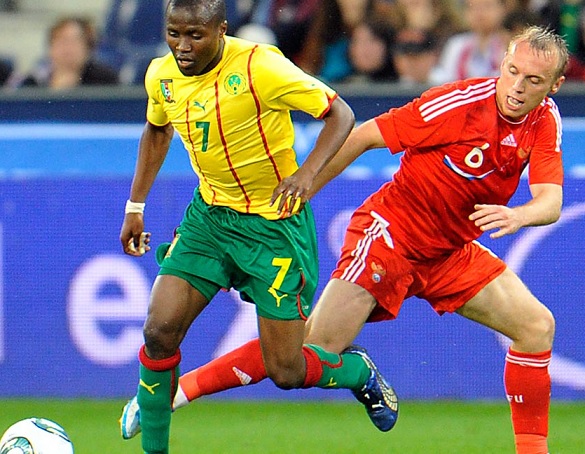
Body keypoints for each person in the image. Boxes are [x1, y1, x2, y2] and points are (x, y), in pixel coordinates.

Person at [121, 24, 567, 454]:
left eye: (533, 81)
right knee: (305, 354)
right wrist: (304, 189)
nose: (517, 87)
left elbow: (550, 201)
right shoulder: (457, 104)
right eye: (513, 71)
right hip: (390, 237)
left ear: (554, 85)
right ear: (502, 63)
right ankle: (177, 394)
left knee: (536, 327)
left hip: (450, 251)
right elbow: (365, 135)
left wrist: (519, 214)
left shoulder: (544, 119)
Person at [118, 0, 397, 452]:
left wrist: (306, 174)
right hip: (210, 218)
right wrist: (135, 205)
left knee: (286, 369)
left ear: (221, 30)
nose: (182, 46)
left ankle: (356, 371)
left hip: (273, 226)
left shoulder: (259, 67)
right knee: (159, 330)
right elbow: (157, 130)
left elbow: (341, 114)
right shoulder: (161, 75)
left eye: (195, 35)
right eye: (174, 33)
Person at [12, 16, 119, 89]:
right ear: (50, 47)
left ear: (88, 47)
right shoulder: (33, 81)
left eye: (74, 41)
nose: (67, 48)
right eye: (61, 41)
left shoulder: (105, 80)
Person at [429, 0, 509, 84]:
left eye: (487, 6)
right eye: (472, 7)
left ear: (503, 8)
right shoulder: (457, 44)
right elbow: (445, 78)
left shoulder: (509, 44)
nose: (479, 13)